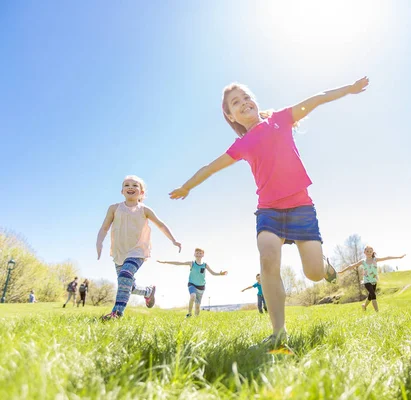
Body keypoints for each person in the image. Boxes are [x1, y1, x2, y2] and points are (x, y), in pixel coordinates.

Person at [169, 77, 369, 347]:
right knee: (268, 260)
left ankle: (324, 264)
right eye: (235, 103)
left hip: (301, 208)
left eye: (246, 97)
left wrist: (349, 89)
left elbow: (318, 98)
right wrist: (186, 186)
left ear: (255, 100)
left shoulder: (281, 118)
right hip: (269, 211)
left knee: (314, 274)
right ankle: (278, 333)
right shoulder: (242, 145)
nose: (244, 103)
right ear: (230, 115)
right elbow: (210, 167)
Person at [96, 175, 181, 320]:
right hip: (119, 252)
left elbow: (160, 224)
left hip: (138, 251)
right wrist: (99, 242)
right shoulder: (114, 208)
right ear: (122, 191)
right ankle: (148, 292)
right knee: (128, 284)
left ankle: (116, 313)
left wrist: (173, 240)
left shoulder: (145, 210)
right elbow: (104, 228)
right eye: (127, 185)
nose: (130, 187)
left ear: (141, 192)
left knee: (125, 276)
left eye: (135, 185)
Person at [157, 248, 227, 317]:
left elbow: (213, 273)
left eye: (200, 253)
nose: (198, 254)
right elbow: (179, 263)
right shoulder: (192, 263)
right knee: (193, 296)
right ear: (194, 254)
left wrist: (220, 274)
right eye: (197, 253)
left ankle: (196, 319)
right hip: (192, 284)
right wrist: (165, 262)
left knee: (197, 307)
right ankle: (189, 313)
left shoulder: (205, 265)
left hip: (201, 287)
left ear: (203, 255)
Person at [338, 246, 406, 312]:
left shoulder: (375, 259)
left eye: (370, 251)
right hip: (367, 281)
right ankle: (377, 312)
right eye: (367, 251)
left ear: (372, 252)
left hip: (374, 280)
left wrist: (399, 257)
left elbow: (387, 257)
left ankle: (364, 306)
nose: (369, 253)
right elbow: (351, 266)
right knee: (373, 295)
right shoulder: (363, 261)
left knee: (370, 296)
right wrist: (342, 271)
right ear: (364, 252)